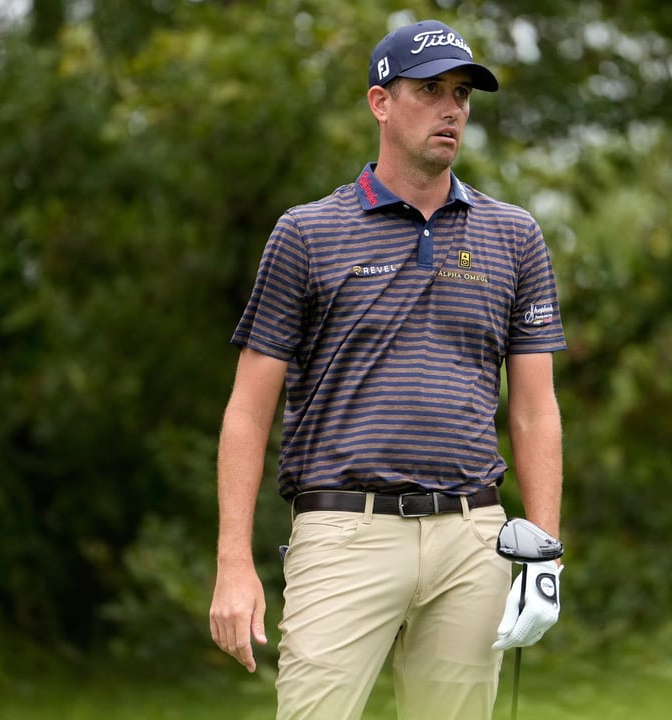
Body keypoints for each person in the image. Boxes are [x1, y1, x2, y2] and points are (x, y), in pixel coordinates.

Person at [208, 18, 567, 720]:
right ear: (380, 102)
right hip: (345, 531)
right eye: (429, 90)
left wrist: (544, 552)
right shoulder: (308, 233)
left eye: (461, 94)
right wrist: (232, 562)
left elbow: (533, 408)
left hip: (473, 537)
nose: (451, 109)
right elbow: (247, 411)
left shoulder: (514, 236)